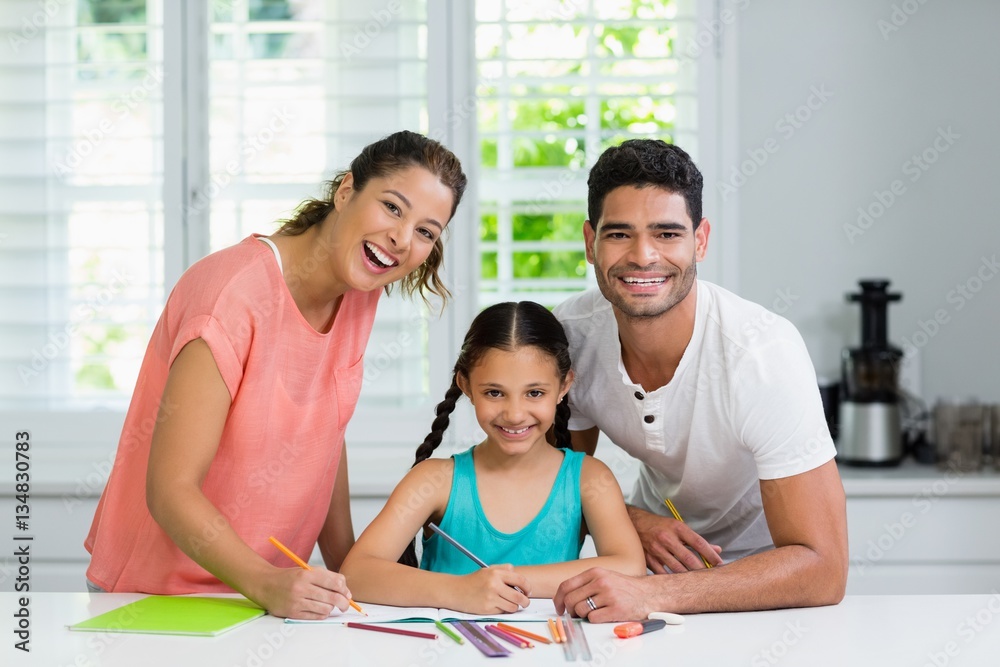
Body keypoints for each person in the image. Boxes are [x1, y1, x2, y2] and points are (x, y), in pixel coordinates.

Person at [84, 130, 467, 620]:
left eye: (425, 232)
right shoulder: (232, 295)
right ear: (346, 190)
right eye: (393, 207)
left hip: (259, 600)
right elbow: (170, 489)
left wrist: (346, 571)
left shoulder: (359, 290)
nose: (401, 238)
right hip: (155, 596)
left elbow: (325, 432)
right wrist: (265, 583)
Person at [551, 139, 848, 621]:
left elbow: (823, 569)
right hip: (647, 571)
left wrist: (654, 597)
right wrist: (632, 522)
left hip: (771, 587)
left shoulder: (761, 352)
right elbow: (551, 482)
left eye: (667, 234)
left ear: (700, 241)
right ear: (590, 242)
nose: (643, 256)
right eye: (619, 234)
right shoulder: (573, 338)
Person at [340, 301, 645, 614]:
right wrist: (459, 590)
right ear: (466, 386)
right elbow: (356, 572)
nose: (514, 414)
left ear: (564, 385)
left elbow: (630, 566)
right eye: (494, 393)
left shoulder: (589, 478)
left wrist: (503, 582)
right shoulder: (434, 480)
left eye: (535, 393)